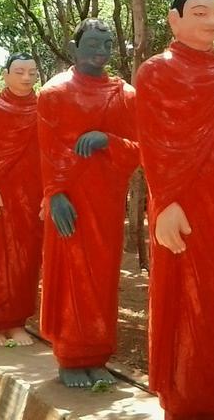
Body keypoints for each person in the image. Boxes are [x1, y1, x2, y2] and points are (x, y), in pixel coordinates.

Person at [135, 0, 214, 420]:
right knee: (179, 301)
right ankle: (181, 402)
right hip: (179, 209)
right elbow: (151, 143)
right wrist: (164, 202)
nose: (210, 22)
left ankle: (213, 402)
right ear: (174, 20)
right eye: (199, 12)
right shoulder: (154, 72)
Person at [38, 19, 140, 387]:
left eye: (108, 44)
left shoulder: (125, 93)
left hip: (107, 199)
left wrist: (107, 139)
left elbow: (138, 150)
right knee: (70, 273)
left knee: (102, 277)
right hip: (70, 198)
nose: (101, 51)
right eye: (94, 43)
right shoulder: (54, 92)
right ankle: (69, 355)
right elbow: (47, 150)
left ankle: (97, 354)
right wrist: (55, 193)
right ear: (74, 45)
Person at [0, 53, 42, 346]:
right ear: (6, 74)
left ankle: (17, 321)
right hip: (1, 191)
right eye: (19, 72)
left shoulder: (44, 106)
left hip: (33, 191)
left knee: (26, 257)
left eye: (32, 72)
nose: (26, 78)